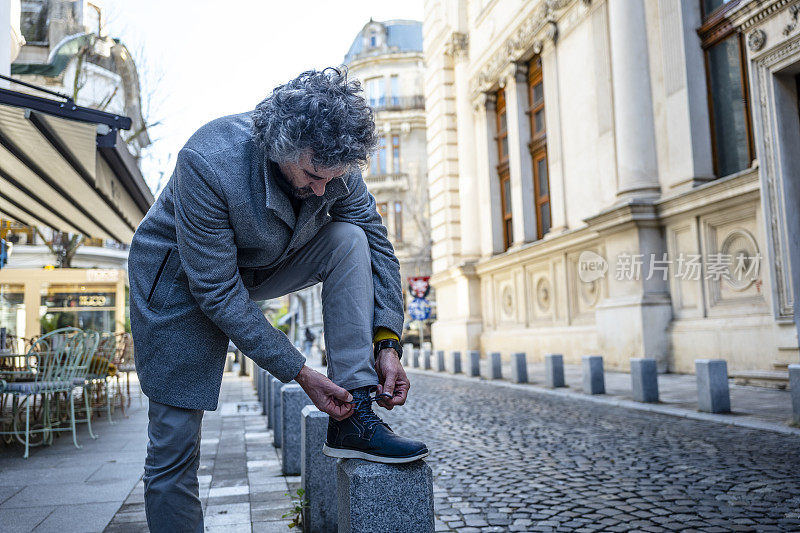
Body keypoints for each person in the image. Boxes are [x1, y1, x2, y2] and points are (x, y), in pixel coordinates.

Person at [128, 68, 428, 532]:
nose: (325, 189)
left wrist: (388, 341)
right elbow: (216, 290)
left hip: (257, 263)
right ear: (282, 147)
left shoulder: (334, 168)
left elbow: (377, 246)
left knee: (350, 238)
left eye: (335, 177)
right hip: (177, 285)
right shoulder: (208, 160)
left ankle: (355, 415)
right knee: (173, 449)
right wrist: (299, 372)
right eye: (312, 175)